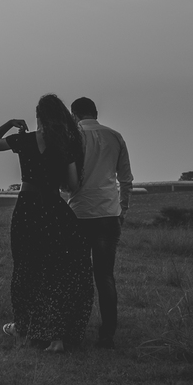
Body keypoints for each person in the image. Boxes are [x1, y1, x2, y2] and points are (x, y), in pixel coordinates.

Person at [0, 94, 93, 351]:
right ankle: (56, 337)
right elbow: (74, 185)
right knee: (58, 271)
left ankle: (24, 330)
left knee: (26, 269)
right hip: (53, 208)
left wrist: (10, 123)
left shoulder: (24, 139)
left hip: (27, 208)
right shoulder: (65, 144)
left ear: (39, 117)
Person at [67, 97, 133, 349]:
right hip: (108, 212)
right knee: (105, 275)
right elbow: (126, 180)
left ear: (74, 115)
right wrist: (122, 210)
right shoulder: (115, 136)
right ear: (95, 112)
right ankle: (107, 334)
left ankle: (75, 328)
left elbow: (67, 180)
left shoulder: (72, 138)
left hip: (80, 212)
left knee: (78, 274)